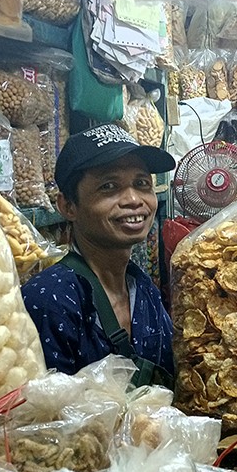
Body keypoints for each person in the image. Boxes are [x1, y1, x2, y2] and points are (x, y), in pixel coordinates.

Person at [22, 123, 176, 385]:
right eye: (109, 186)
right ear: (68, 206)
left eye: (141, 183)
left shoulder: (143, 289)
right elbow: (44, 405)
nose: (133, 200)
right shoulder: (50, 300)